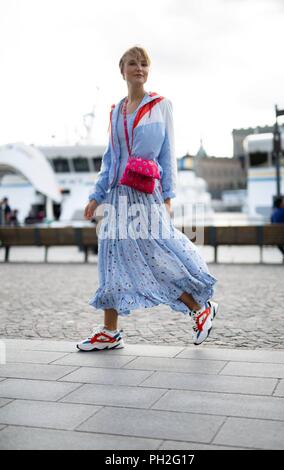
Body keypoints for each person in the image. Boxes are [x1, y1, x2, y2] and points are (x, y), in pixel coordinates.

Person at [77, 46, 218, 352]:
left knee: (157, 255)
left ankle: (199, 308)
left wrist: (168, 195)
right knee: (110, 259)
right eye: (133, 63)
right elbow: (111, 158)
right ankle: (110, 331)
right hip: (115, 196)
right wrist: (96, 195)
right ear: (122, 70)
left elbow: (168, 154)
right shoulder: (115, 111)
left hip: (144, 194)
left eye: (143, 64)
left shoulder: (160, 105)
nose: (139, 68)